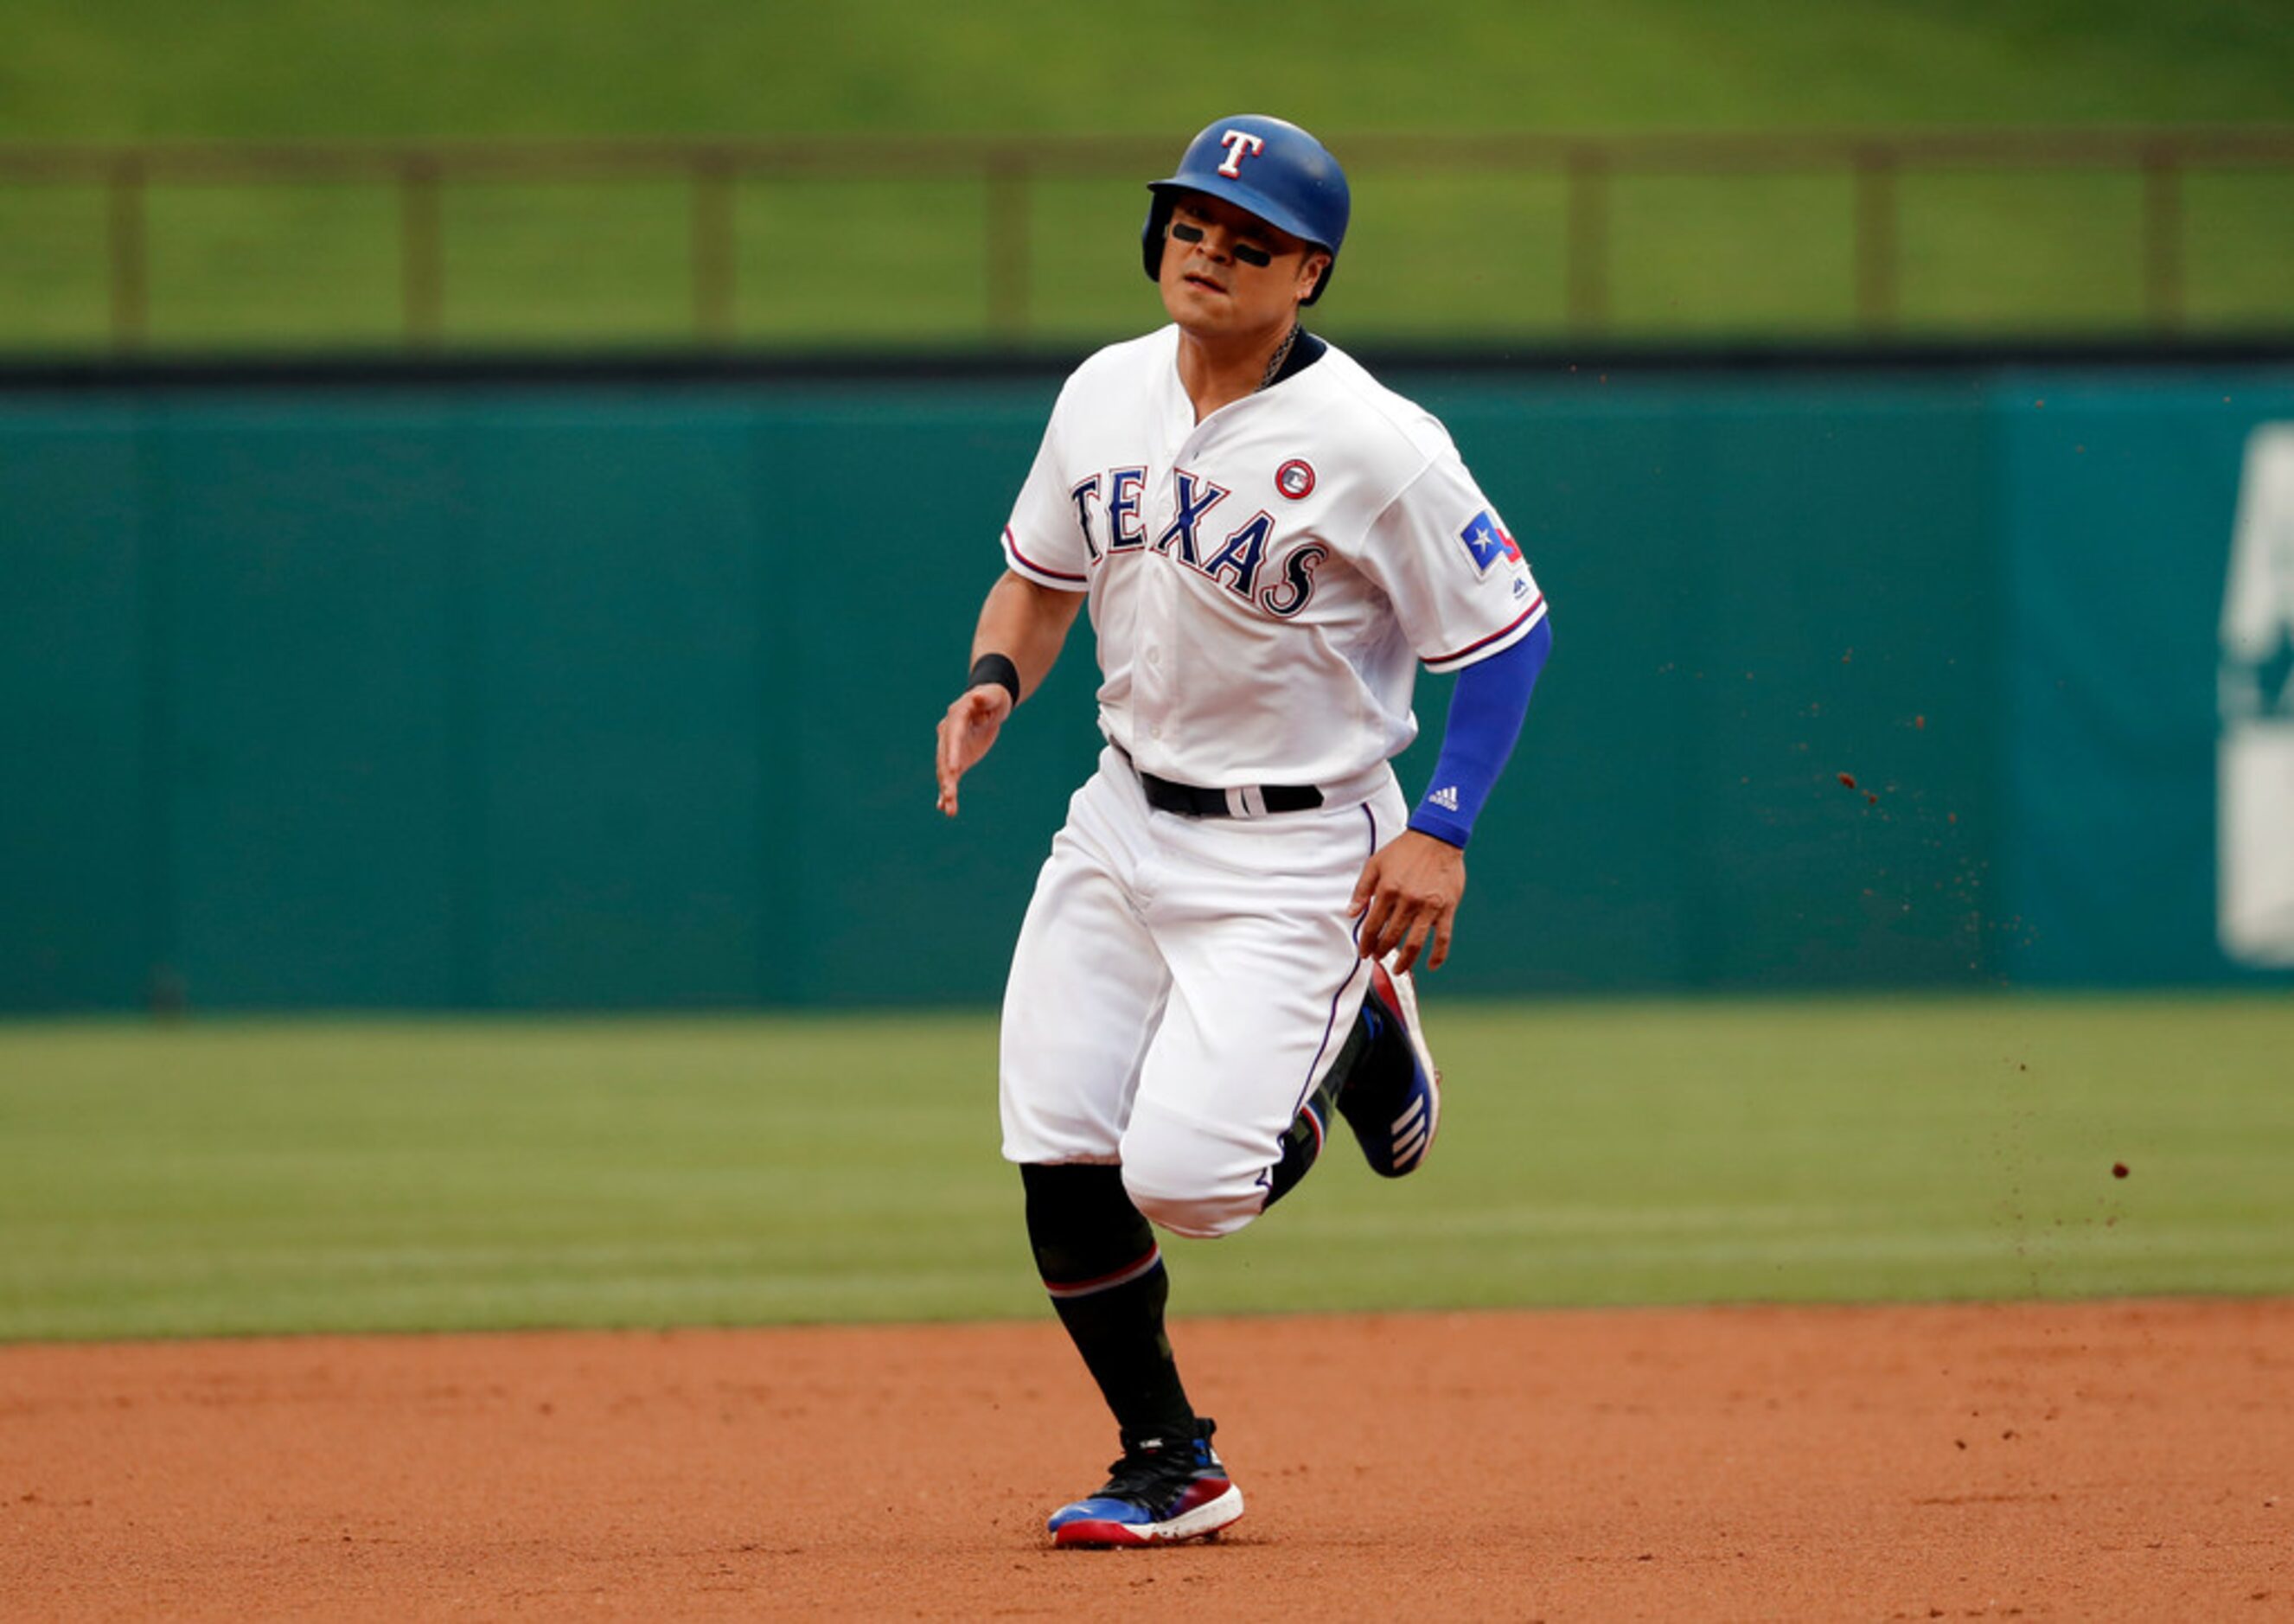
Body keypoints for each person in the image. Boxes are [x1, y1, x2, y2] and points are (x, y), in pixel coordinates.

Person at [934, 114, 1551, 1549]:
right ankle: (1170, 1459)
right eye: (1190, 222)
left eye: (1248, 236)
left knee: (1190, 1184)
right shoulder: (1103, 391)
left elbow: (1507, 636)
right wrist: (989, 681)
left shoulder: (1376, 443)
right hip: (1117, 816)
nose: (1207, 249)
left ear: (1309, 273)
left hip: (1299, 850)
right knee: (1056, 1143)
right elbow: (1037, 579)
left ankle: (1359, 1027)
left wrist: (1443, 828)